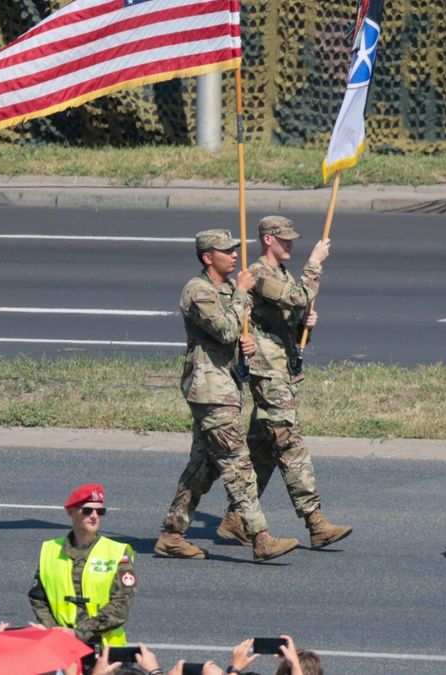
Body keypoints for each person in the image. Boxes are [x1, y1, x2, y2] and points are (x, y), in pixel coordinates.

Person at [154, 229, 298, 563]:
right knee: (238, 463)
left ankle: (172, 535)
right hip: (209, 389)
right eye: (226, 251)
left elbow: (236, 336)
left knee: (203, 465)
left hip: (225, 385)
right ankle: (260, 536)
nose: (234, 255)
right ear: (208, 257)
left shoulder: (231, 289)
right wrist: (241, 300)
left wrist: (244, 347)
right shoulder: (197, 290)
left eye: (235, 250)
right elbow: (224, 328)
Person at [219, 215, 351, 550]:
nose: (291, 243)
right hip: (267, 371)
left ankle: (236, 519)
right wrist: (314, 264)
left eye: (293, 238)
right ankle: (315, 521)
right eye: (284, 239)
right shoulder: (260, 274)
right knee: (291, 445)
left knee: (263, 449)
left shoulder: (281, 274)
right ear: (267, 240)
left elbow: (290, 317)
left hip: (282, 369)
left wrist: (306, 323)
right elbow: (295, 297)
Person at [29, 483, 136, 646]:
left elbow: (121, 603)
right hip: (61, 644)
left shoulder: (117, 552)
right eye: (87, 510)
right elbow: (38, 597)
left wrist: (78, 633)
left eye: (100, 511)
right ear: (70, 512)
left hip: (104, 648)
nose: (94, 516)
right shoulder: (50, 550)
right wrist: (54, 631)